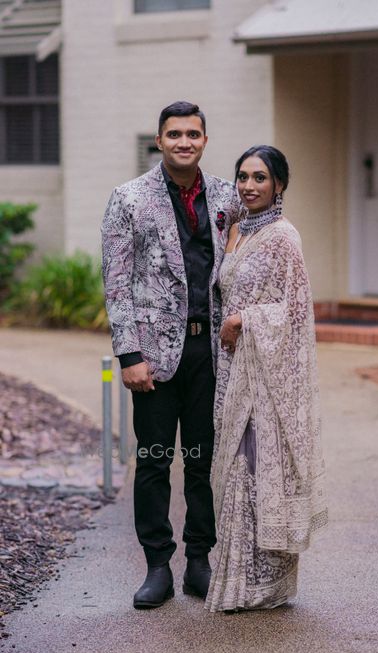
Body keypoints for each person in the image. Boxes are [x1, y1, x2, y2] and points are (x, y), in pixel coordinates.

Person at [101, 101, 240, 609]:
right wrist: (128, 353)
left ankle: (198, 561)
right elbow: (116, 282)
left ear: (205, 140)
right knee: (156, 461)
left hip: (212, 353)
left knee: (204, 460)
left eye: (194, 134)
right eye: (175, 134)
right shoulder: (129, 199)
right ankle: (157, 566)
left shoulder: (229, 195)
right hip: (155, 357)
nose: (185, 141)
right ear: (159, 140)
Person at [204, 145, 328, 612]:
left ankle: (263, 584)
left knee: (255, 468)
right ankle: (236, 576)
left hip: (266, 375)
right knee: (234, 467)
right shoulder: (235, 231)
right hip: (233, 371)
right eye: (243, 176)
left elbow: (296, 313)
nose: (249, 186)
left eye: (260, 177)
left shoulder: (282, 236)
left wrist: (243, 322)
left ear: (279, 185)